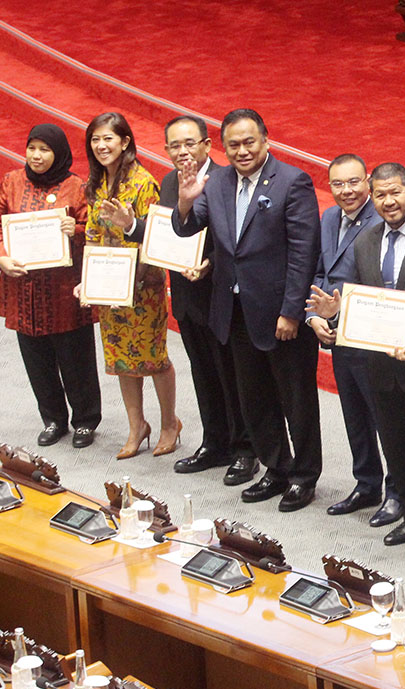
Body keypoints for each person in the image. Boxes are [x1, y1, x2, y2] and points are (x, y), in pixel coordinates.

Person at [306, 162, 405, 551]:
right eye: (380, 195)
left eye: (395, 192)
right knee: (397, 441)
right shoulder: (366, 240)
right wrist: (334, 315)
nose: (388, 201)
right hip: (379, 359)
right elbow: (362, 301)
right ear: (372, 197)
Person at [173, 108, 322, 512]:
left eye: (248, 142)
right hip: (234, 309)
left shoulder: (293, 182)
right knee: (254, 397)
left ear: (266, 141)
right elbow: (189, 228)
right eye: (233, 144)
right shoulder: (217, 181)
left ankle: (304, 476)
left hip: (280, 314)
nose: (241, 151)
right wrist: (185, 205)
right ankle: (276, 467)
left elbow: (304, 253)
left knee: (296, 400)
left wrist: (292, 311)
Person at [155, 115, 258, 487]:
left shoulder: (227, 180)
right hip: (186, 296)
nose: (182, 152)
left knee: (233, 377)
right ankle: (214, 442)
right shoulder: (169, 181)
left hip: (222, 295)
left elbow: (237, 239)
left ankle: (246, 450)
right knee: (203, 373)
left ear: (206, 145)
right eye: (174, 146)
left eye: (189, 144)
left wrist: (210, 264)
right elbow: (164, 233)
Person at [0, 124, 100, 449]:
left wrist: (76, 229)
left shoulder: (77, 186)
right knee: (36, 359)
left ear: (59, 153)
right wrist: (1, 257)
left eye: (44, 150)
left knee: (76, 358)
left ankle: (85, 421)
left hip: (64, 291)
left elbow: (93, 228)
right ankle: (53, 419)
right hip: (23, 291)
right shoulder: (12, 181)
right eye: (32, 148)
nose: (36, 155)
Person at [81, 112, 180, 460]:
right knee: (121, 359)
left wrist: (131, 278)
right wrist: (88, 281)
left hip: (143, 289)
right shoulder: (92, 185)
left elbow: (154, 240)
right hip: (108, 289)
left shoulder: (143, 183)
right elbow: (92, 236)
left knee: (153, 358)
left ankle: (170, 423)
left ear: (125, 143)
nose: (101, 146)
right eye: (95, 139)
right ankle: (137, 425)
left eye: (108, 138)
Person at [308, 153, 395, 516]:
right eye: (339, 184)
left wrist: (339, 314)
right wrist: (312, 315)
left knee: (384, 419)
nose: (347, 191)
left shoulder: (381, 223)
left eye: (355, 182)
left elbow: (381, 285)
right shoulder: (328, 217)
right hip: (335, 336)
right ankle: (367, 484)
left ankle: (399, 491)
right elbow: (317, 272)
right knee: (354, 415)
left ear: (369, 182)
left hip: (370, 336)